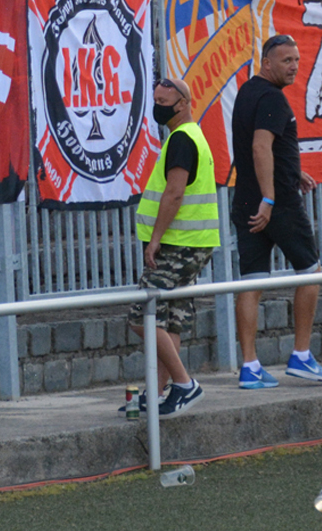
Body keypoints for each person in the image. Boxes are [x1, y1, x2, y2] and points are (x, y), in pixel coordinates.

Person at [232, 35, 322, 389]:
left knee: (252, 282)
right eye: (286, 60)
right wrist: (271, 198)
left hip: (245, 202)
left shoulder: (247, 92)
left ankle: (249, 366)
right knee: (310, 270)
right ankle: (301, 356)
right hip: (274, 205)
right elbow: (261, 148)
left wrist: (293, 171)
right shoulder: (273, 98)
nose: (293, 66)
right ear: (267, 63)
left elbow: (262, 147)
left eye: (296, 60)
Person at [127, 76, 216, 417]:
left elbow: (174, 193)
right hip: (196, 243)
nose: (158, 107)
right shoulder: (194, 135)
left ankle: (183, 384)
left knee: (142, 316)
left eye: (164, 103)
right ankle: (159, 394)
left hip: (177, 245)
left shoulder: (181, 139)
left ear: (183, 104)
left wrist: (156, 240)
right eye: (156, 100)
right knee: (171, 321)